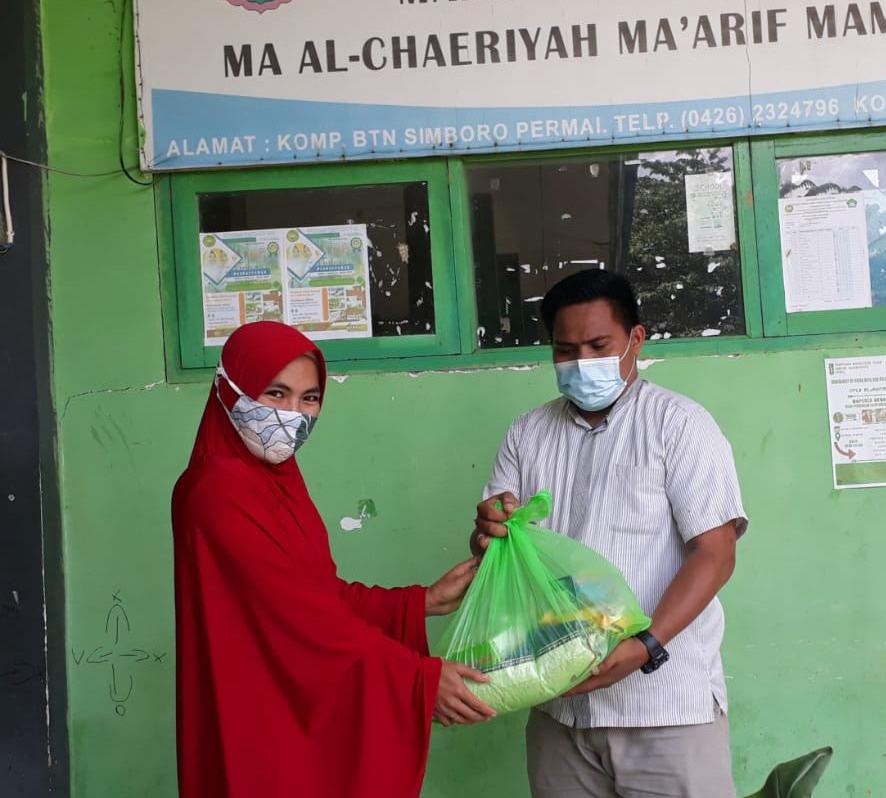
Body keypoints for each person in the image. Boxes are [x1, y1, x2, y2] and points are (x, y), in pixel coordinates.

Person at [172, 321, 494, 798]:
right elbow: (300, 617)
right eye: (275, 393)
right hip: (258, 715)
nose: (292, 413)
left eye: (309, 398)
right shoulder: (217, 489)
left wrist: (420, 602)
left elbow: (316, 591)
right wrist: (417, 680)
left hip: (283, 707)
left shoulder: (277, 480)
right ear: (227, 390)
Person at [473, 269, 747, 798]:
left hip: (664, 709)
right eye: (565, 350)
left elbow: (715, 553)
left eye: (599, 346)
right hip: (559, 706)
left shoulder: (679, 425)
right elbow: (496, 552)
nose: (581, 363)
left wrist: (646, 645)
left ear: (635, 339)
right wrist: (488, 531)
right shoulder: (527, 434)